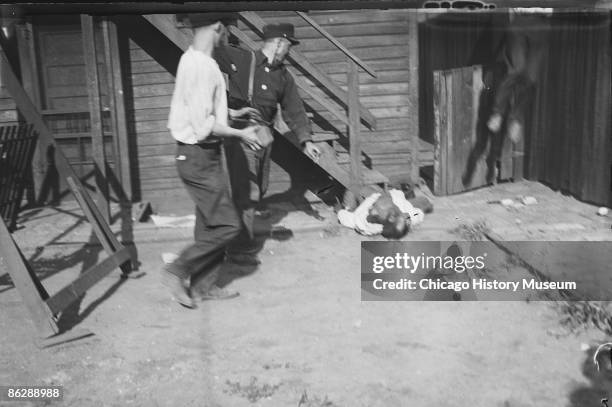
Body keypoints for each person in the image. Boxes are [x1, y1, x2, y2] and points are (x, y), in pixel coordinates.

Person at [163, 13, 262, 308]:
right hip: (196, 155)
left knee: (209, 224)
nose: (227, 36)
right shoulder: (199, 67)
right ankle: (177, 269)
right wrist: (239, 134)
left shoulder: (198, 60)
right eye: (227, 29)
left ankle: (204, 286)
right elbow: (202, 124)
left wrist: (233, 115)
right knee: (229, 226)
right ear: (218, 27)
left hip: (204, 155)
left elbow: (205, 111)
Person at [214, 22, 321, 266]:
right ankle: (238, 249)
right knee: (247, 191)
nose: (289, 51)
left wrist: (306, 140)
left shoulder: (284, 76)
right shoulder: (243, 59)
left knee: (259, 187)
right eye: (289, 46)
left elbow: (295, 109)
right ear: (279, 43)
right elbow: (210, 53)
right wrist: (224, 107)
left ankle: (235, 239)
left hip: (264, 135)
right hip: (241, 135)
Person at [337, 185, 433, 239]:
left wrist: (346, 209)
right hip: (396, 197)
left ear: (391, 217)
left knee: (353, 189)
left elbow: (343, 216)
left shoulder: (363, 221)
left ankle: (349, 205)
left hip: (365, 199)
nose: (405, 216)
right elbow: (417, 214)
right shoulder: (408, 214)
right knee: (424, 201)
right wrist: (409, 218)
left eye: (376, 208)